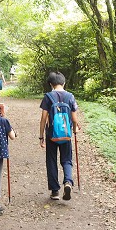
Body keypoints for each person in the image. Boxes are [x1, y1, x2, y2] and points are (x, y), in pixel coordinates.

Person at [39, 71, 80, 201]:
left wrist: (41, 137)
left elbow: (43, 119)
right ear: (64, 83)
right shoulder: (70, 96)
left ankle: (55, 191)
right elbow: (74, 118)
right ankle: (68, 182)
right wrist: (74, 130)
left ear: (51, 84)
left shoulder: (48, 97)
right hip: (66, 134)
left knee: (51, 161)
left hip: (52, 134)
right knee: (67, 159)